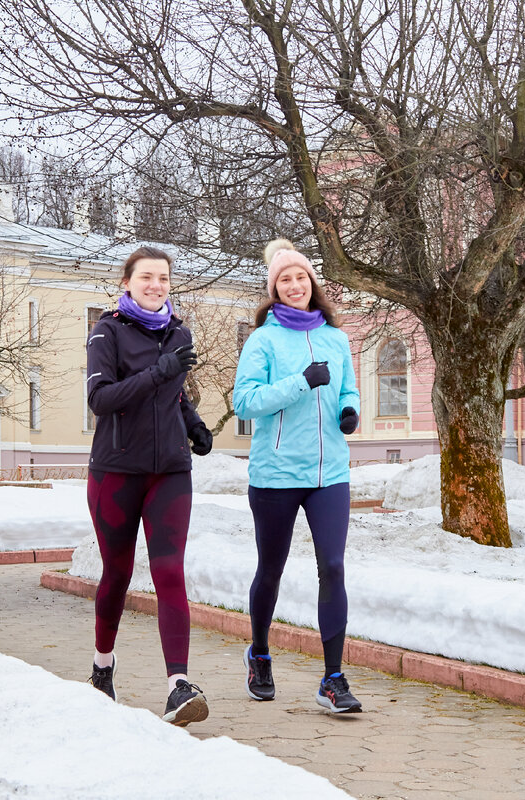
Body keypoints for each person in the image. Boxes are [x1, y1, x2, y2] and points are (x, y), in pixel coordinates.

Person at [83, 245, 215, 726]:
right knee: (117, 573)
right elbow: (101, 399)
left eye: (163, 278)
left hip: (170, 471)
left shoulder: (178, 332)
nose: (156, 285)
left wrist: (193, 424)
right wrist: (158, 372)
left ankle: (178, 685)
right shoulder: (107, 331)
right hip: (116, 472)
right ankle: (102, 667)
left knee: (169, 572)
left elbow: (172, 394)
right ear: (128, 282)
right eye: (146, 277)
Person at [232, 239, 364, 713]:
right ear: (275, 288)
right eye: (285, 279)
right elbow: (244, 402)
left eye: (301, 277)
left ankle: (333, 678)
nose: (294, 285)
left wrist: (349, 411)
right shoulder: (263, 341)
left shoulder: (336, 338)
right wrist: (300, 382)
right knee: (271, 568)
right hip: (277, 474)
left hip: (330, 473)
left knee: (333, 566)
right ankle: (260, 654)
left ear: (312, 284)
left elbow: (349, 389)